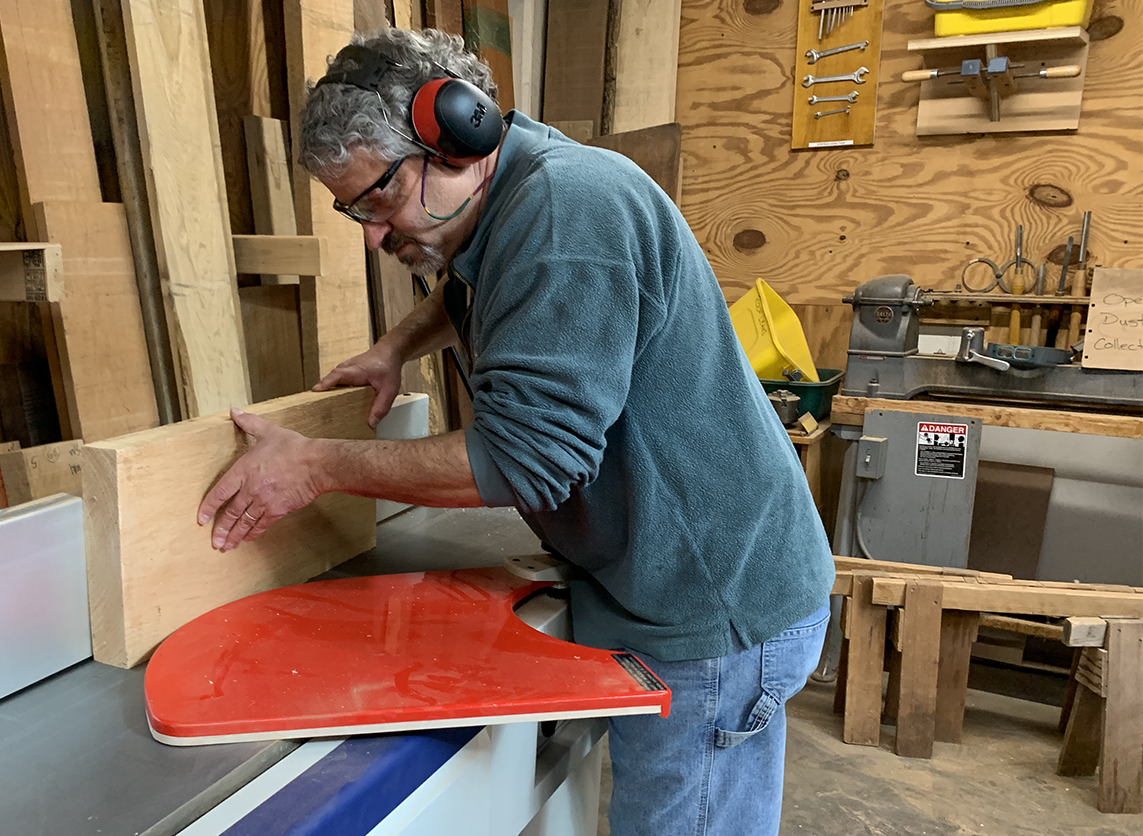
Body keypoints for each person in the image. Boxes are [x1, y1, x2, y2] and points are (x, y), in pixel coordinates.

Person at [196, 27, 834, 836]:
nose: (370, 233)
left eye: (380, 199)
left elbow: (525, 462)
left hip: (711, 603)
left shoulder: (570, 212)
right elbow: (475, 280)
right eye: (351, 209)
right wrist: (396, 347)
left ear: (458, 137)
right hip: (660, 575)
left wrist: (315, 466)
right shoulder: (511, 192)